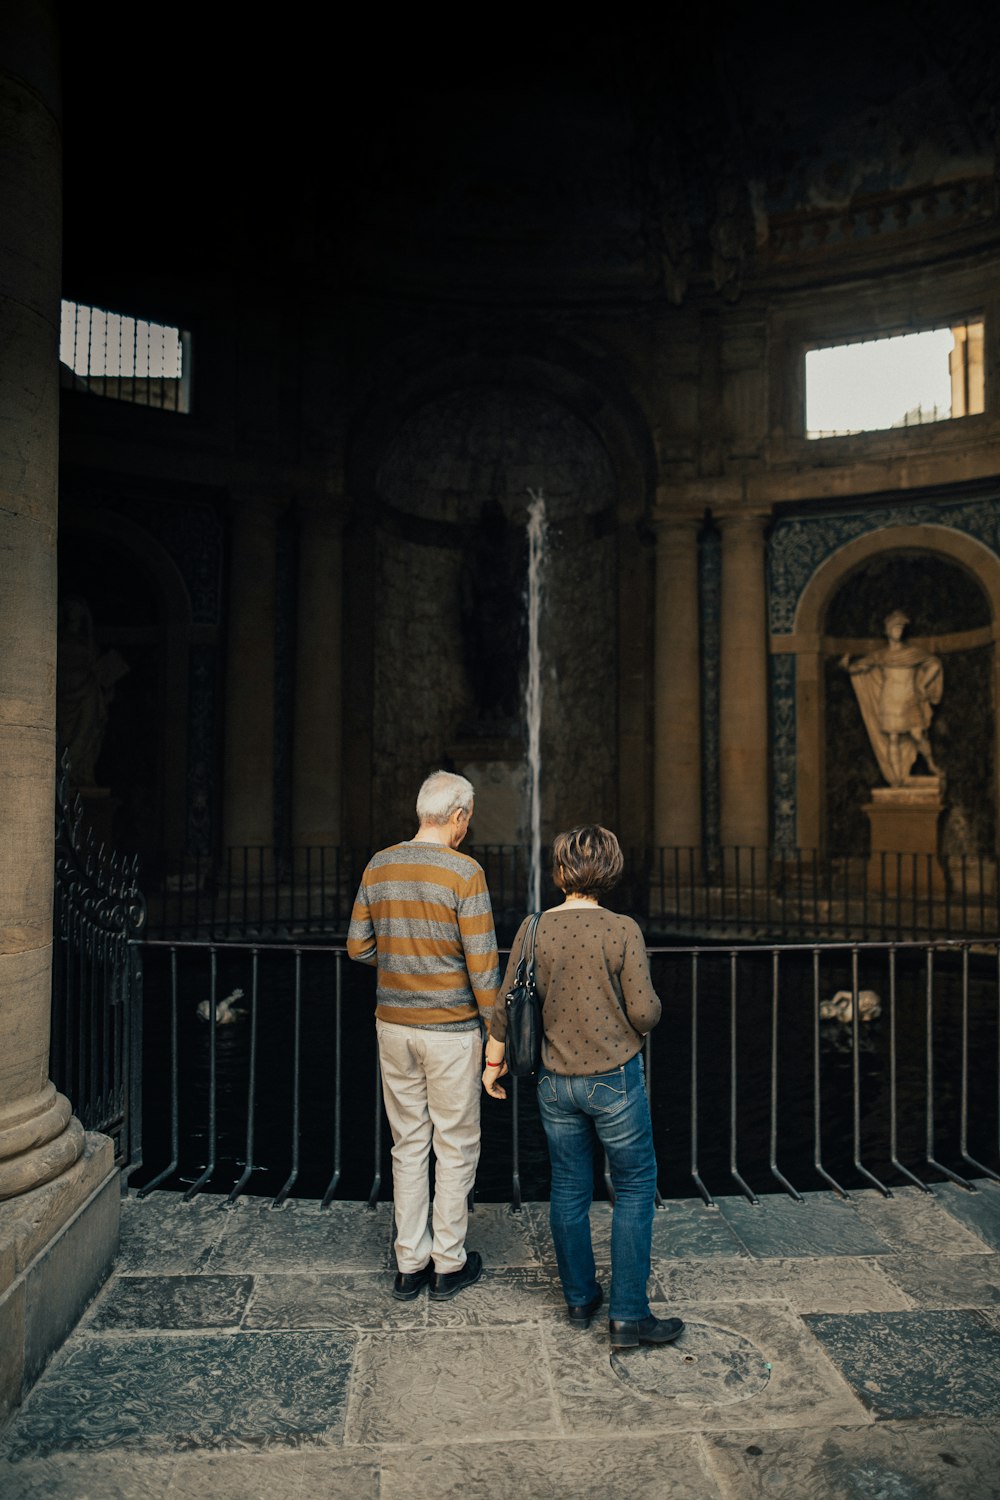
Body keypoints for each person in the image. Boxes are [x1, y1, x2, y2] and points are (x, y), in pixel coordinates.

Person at [483, 825, 684, 1350]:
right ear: (611, 871)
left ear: (560, 872)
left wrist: (493, 1063)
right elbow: (644, 1011)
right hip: (614, 1080)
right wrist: (649, 1012)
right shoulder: (621, 930)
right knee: (635, 1188)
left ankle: (579, 1298)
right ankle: (628, 1315)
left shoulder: (531, 930)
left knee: (569, 1188)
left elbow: (507, 1004)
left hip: (554, 1084)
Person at [348, 770, 500, 1301]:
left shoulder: (380, 864)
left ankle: (408, 1262)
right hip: (452, 1032)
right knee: (455, 1145)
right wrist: (494, 1032)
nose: (467, 828)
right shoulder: (466, 872)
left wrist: (400, 964)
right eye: (468, 819)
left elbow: (357, 947)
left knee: (408, 1143)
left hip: (393, 1027)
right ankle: (448, 1264)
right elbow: (484, 968)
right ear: (457, 817)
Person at [841, 609, 943, 787]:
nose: (899, 630)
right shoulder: (880, 655)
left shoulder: (912, 653)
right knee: (893, 738)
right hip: (889, 701)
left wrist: (922, 684)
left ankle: (931, 765)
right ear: (887, 631)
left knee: (918, 734)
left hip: (910, 699)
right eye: (895, 627)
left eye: (901, 627)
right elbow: (858, 667)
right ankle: (896, 780)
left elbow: (935, 664)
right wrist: (847, 666)